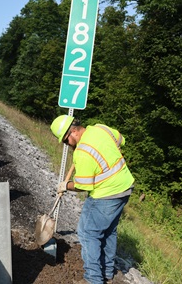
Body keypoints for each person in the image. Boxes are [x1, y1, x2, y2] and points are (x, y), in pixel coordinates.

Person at [50, 115, 134, 284]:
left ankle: (93, 279)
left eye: (66, 141)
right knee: (109, 230)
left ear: (73, 132)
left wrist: (66, 185)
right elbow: (120, 140)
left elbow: (84, 185)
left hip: (106, 194)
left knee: (88, 233)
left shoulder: (83, 152)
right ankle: (107, 272)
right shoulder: (100, 128)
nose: (66, 145)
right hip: (124, 187)